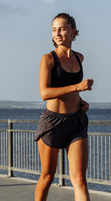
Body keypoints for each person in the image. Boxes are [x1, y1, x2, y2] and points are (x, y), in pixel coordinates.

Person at [34, 13, 94, 201]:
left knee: (80, 180)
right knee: (47, 177)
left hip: (76, 121)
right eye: (54, 29)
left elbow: (70, 89)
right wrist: (77, 87)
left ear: (73, 31)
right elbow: (45, 93)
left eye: (62, 28)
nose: (57, 33)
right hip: (53, 122)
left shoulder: (79, 58)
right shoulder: (48, 59)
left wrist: (79, 100)